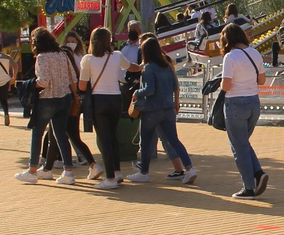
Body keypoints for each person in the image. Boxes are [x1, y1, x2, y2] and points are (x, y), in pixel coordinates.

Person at [127, 35, 196, 184]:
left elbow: (149, 89)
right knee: (174, 140)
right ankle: (190, 169)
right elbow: (175, 86)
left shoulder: (148, 68)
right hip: (168, 109)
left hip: (152, 109)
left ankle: (144, 172)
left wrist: (136, 93)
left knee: (145, 142)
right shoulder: (167, 65)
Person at [14, 28, 79, 186]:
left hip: (47, 99)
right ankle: (68, 171)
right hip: (65, 98)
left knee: (37, 133)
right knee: (61, 135)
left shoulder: (42, 58)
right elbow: (73, 78)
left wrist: (29, 85)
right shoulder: (62, 54)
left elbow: (44, 82)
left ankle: (32, 170)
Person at [220, 22, 269, 198]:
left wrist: (219, 83)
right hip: (254, 102)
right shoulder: (255, 53)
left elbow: (226, 86)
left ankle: (249, 187)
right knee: (243, 143)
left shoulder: (230, 57)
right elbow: (262, 80)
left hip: (235, 103)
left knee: (238, 146)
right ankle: (258, 173)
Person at [78, 27, 126, 189]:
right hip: (116, 98)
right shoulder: (117, 56)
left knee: (104, 139)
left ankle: (110, 178)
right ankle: (117, 171)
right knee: (113, 137)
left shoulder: (88, 59)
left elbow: (82, 86)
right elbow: (130, 67)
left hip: (99, 100)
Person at [42, 32, 96, 176]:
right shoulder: (71, 58)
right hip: (73, 101)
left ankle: (63, 169)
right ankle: (48, 169)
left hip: (65, 101)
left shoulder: (68, 58)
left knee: (58, 137)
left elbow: (72, 82)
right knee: (67, 137)